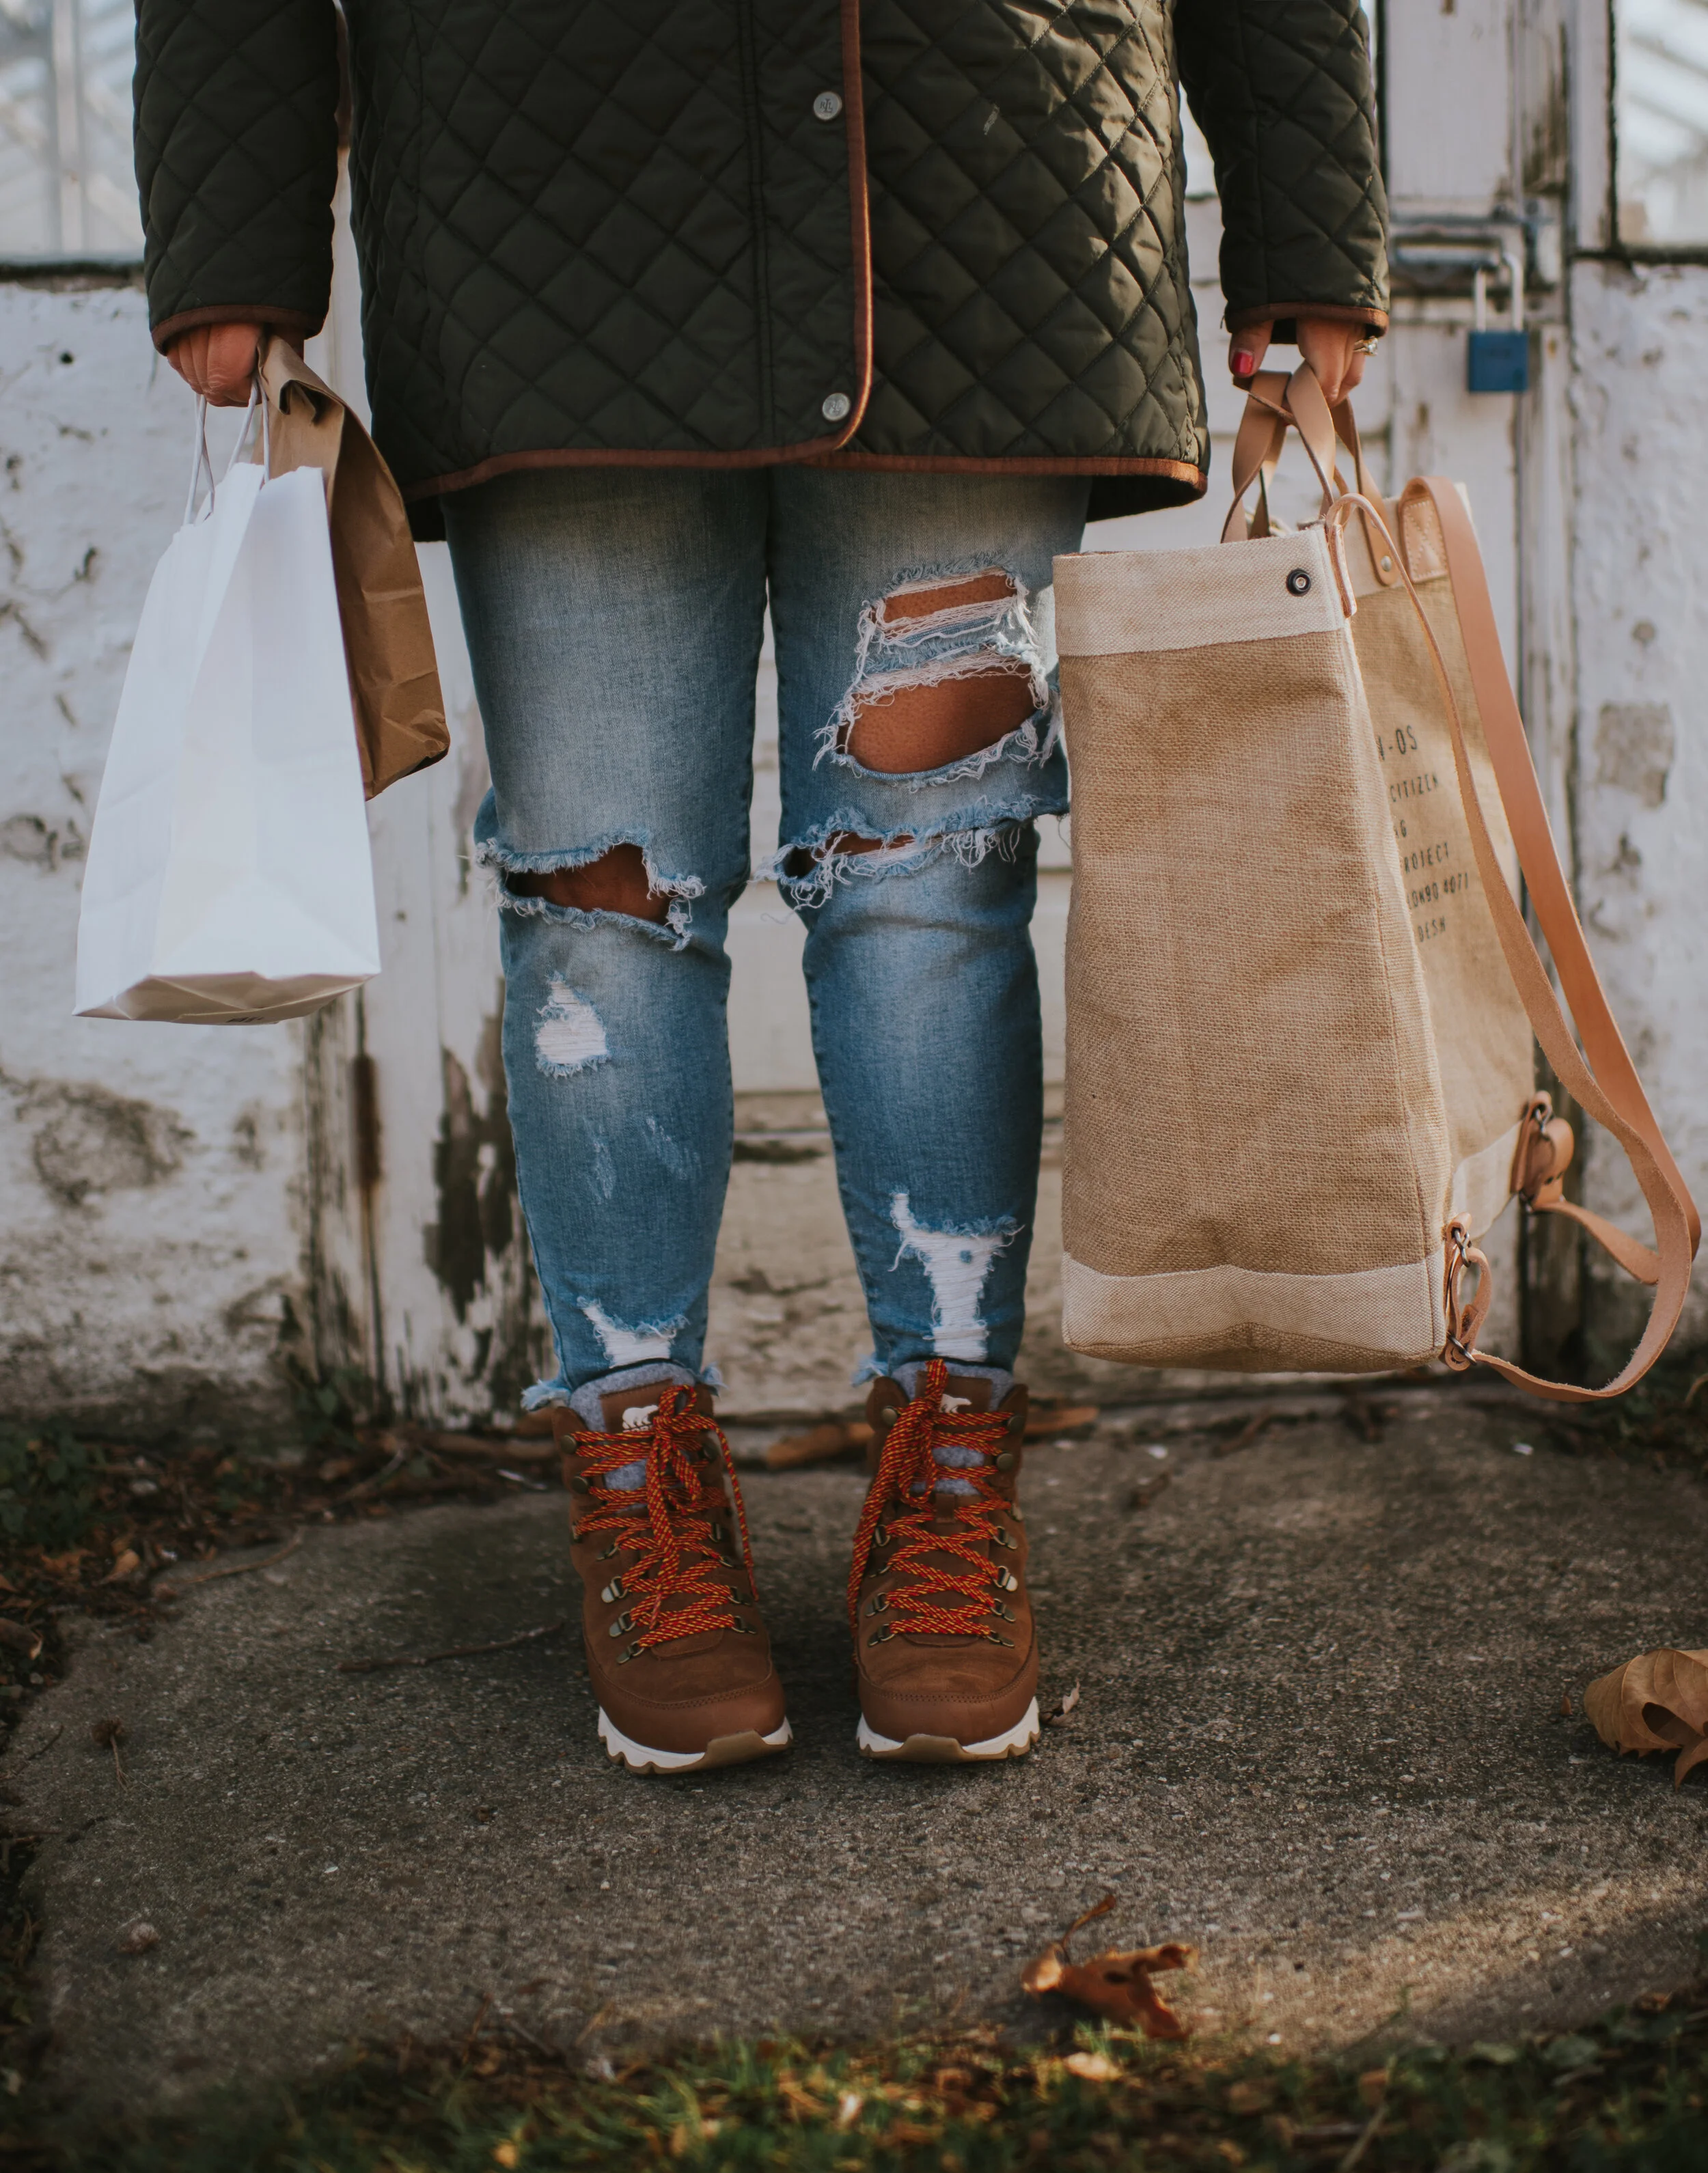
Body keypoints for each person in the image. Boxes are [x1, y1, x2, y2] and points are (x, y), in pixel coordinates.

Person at [137, 1, 1387, 1775]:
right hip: (555, 238)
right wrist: (234, 234)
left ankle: (950, 1452)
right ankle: (636, 1458)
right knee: (601, 906)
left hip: (982, 213)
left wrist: (1305, 222)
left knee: (933, 886)